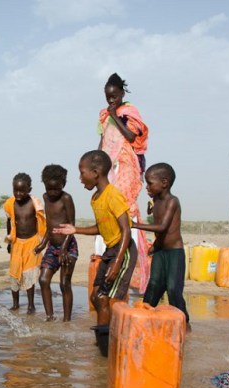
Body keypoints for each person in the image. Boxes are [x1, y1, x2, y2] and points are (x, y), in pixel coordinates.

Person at [55, 151, 136, 326]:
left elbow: (126, 229)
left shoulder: (112, 195)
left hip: (124, 250)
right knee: (95, 296)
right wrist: (75, 229)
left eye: (82, 172)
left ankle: (107, 340)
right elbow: (101, 228)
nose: (80, 178)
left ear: (95, 173)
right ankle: (102, 337)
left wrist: (117, 261)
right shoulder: (95, 198)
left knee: (103, 297)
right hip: (110, 251)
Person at [98, 72, 150, 293]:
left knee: (125, 205)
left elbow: (130, 137)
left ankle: (130, 253)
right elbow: (102, 141)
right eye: (108, 97)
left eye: (115, 96)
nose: (111, 100)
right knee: (109, 204)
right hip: (110, 165)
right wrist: (97, 160)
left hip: (126, 163)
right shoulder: (104, 116)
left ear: (121, 93)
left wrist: (115, 115)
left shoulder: (128, 112)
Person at [132, 163, 190, 330]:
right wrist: (155, 245)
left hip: (174, 253)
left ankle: (183, 323)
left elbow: (162, 227)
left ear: (164, 183)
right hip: (160, 250)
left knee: (173, 289)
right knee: (154, 285)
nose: (147, 187)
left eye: (150, 183)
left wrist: (135, 225)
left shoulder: (173, 201)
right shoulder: (155, 200)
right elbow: (159, 228)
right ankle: (143, 320)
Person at [35, 164, 77, 322]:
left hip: (68, 245)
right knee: (43, 280)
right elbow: (49, 225)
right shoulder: (45, 197)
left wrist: (64, 249)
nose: (52, 193)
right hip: (52, 246)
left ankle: (66, 321)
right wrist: (43, 243)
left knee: (64, 283)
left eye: (56, 189)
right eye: (49, 188)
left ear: (63, 184)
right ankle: (50, 317)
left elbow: (71, 226)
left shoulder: (66, 198)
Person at [4, 172, 46, 313]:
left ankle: (30, 305)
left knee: (29, 274)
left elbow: (42, 222)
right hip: (17, 243)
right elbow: (10, 222)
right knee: (14, 273)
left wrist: (42, 242)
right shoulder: (11, 204)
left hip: (32, 242)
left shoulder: (34, 203)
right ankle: (15, 304)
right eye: (15, 190)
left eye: (22, 190)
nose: (18, 193)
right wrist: (9, 240)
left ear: (29, 189)